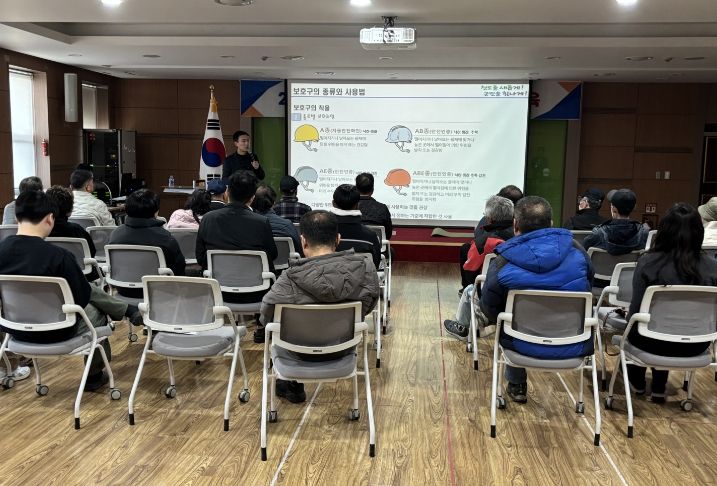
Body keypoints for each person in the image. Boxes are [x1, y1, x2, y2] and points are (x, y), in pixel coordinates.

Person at [450, 196, 593, 404]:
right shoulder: (579, 252)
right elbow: (589, 286)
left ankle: (517, 385)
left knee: (507, 318)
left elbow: (489, 307)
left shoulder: (503, 259)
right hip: (574, 344)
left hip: (520, 344)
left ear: (516, 225)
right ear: (551, 224)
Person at [0, 191, 140, 391]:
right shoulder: (59, 256)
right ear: (50, 218)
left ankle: (124, 310)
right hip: (59, 329)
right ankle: (93, 376)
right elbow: (81, 299)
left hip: (14, 329)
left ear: (16, 217)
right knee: (97, 311)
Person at [259, 210, 379, 403]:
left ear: (303, 241)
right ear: (338, 239)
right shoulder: (366, 269)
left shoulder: (288, 278)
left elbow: (266, 315)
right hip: (343, 349)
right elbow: (369, 305)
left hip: (297, 352)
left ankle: (290, 386)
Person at [625, 203, 717, 403]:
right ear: (699, 232)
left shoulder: (648, 263)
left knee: (639, 327)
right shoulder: (713, 268)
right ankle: (659, 387)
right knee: (664, 328)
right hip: (696, 345)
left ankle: (638, 384)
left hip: (651, 343)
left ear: (664, 231)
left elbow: (636, 311)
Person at [197, 170, 277, 343]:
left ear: (227, 192)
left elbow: (200, 257)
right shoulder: (260, 222)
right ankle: (261, 327)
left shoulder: (208, 219)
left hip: (218, 292)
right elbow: (273, 254)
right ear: (252, 198)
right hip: (257, 294)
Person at [444, 195, 515, 339]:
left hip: (492, 297)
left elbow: (470, 272)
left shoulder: (483, 242)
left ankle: (463, 327)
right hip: (519, 296)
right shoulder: (520, 237)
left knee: (470, 288)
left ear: (489, 218)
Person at [109, 189, 186, 297]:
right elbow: (179, 268)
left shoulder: (115, 234)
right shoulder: (164, 237)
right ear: (156, 212)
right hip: (158, 292)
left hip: (123, 290)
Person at [46, 185, 100, 282]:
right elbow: (91, 253)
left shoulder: (42, 231)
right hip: (81, 277)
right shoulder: (77, 230)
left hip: (51, 277)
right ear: (70, 210)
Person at [583, 188, 650, 255]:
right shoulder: (644, 233)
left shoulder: (598, 233)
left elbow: (583, 250)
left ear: (613, 208)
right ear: (634, 207)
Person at [330, 184, 381, 269]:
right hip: (361, 277)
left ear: (333, 204)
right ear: (358, 205)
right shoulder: (370, 236)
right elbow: (375, 265)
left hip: (327, 277)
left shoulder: (320, 233)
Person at [251, 184, 302, 257]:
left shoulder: (247, 226)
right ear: (273, 203)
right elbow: (299, 250)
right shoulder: (287, 225)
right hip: (287, 263)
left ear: (253, 201)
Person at [356, 172, 393, 238]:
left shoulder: (348, 207)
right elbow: (387, 235)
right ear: (372, 190)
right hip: (376, 244)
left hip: (352, 244)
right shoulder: (382, 208)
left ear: (356, 189)